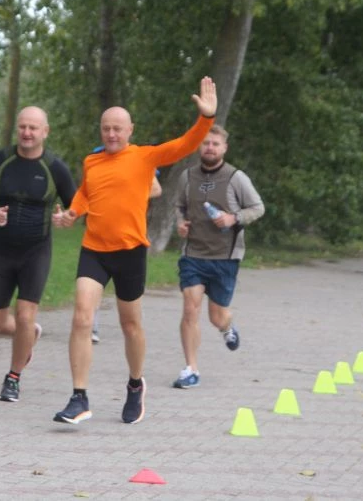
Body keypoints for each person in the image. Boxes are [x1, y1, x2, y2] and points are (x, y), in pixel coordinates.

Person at [51, 76, 217, 425]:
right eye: (106, 128)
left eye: (117, 129)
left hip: (129, 254)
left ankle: (135, 384)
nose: (111, 134)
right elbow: (85, 193)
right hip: (94, 249)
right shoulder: (91, 162)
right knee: (82, 317)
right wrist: (72, 213)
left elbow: (186, 144)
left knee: (131, 326)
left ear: (130, 130)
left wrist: (206, 119)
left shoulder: (145, 157)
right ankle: (79, 397)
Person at [0, 106, 77, 403]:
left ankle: (13, 378)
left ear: (45, 131)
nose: (27, 133)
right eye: (23, 127)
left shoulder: (55, 167)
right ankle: (29, 334)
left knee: (24, 315)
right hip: (2, 249)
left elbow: (75, 205)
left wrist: (66, 218)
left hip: (36, 249)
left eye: (33, 128)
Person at [171, 125, 264, 389]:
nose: (209, 148)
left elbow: (258, 207)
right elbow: (179, 206)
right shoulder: (187, 177)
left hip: (225, 257)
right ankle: (191, 369)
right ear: (199, 147)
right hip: (193, 254)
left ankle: (227, 327)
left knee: (216, 317)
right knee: (190, 308)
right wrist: (180, 224)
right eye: (205, 143)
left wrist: (233, 218)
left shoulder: (236, 178)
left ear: (224, 148)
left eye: (215, 144)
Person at [91, 175, 162, 344]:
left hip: (131, 234)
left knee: (129, 292)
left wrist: (127, 195)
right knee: (92, 286)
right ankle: (92, 325)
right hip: (101, 234)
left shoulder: (137, 160)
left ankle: (134, 314)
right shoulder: (96, 156)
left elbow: (156, 189)